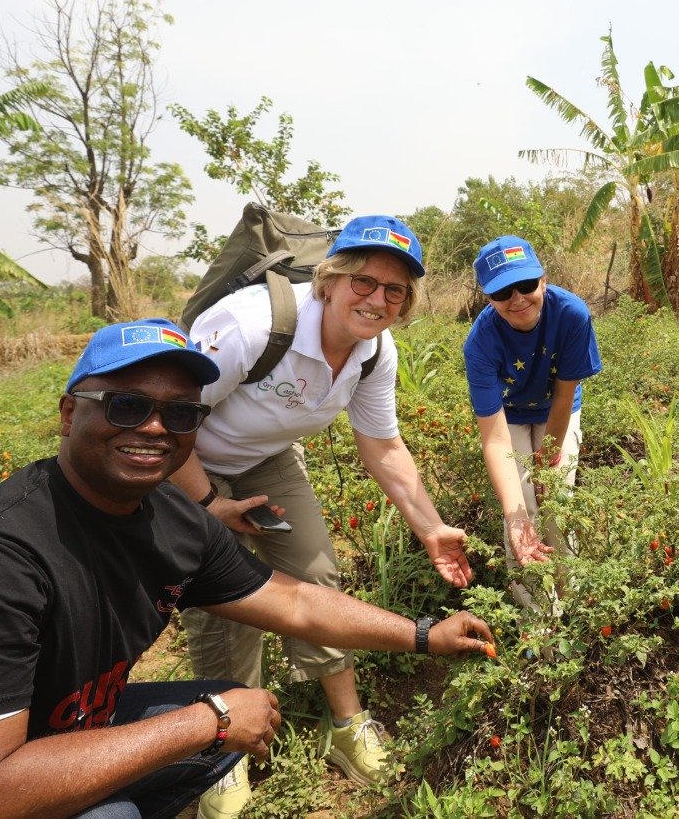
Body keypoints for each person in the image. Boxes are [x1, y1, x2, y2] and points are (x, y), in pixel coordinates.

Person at [0, 318, 492, 819]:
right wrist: (207, 720)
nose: (154, 427)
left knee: (219, 727)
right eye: (126, 405)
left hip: (44, 730)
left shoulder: (169, 518)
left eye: (180, 413)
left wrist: (424, 634)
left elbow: (292, 602)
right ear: (69, 413)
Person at [167, 215, 470, 793]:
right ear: (329, 281)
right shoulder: (250, 326)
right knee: (225, 599)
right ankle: (224, 746)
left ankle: (347, 725)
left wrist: (430, 527)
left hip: (265, 457)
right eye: (364, 281)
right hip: (186, 460)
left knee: (316, 573)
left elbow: (382, 445)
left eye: (395, 290)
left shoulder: (374, 352)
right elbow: (169, 419)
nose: (377, 299)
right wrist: (207, 503)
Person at [461, 236, 601, 596]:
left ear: (543, 281)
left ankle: (570, 597)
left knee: (555, 498)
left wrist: (546, 459)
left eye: (525, 285)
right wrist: (516, 515)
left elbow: (564, 394)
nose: (517, 299)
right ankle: (535, 612)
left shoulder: (571, 314)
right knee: (521, 507)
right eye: (502, 292)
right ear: (488, 298)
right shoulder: (480, 342)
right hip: (508, 416)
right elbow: (494, 439)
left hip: (557, 409)